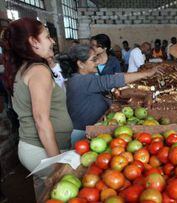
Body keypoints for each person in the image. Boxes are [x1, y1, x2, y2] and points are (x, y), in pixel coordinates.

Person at [1, 18, 73, 200]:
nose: (53, 42)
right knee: (64, 191)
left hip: (33, 148)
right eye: (48, 37)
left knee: (45, 193)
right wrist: (57, 163)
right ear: (33, 41)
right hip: (41, 150)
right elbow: (41, 121)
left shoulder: (23, 68)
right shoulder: (38, 71)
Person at [64, 45, 162, 145]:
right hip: (83, 133)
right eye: (94, 60)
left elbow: (102, 89)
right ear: (80, 64)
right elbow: (111, 80)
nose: (97, 62)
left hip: (93, 128)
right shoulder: (80, 81)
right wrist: (147, 73)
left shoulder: (85, 78)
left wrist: (110, 103)